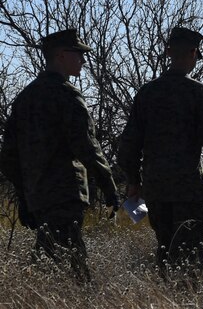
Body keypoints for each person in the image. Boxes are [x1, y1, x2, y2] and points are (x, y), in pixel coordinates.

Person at [0, 28, 119, 282]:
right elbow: (87, 146)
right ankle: (83, 308)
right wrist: (110, 188)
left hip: (37, 196)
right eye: (78, 54)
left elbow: (8, 157)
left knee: (51, 255)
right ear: (62, 55)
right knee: (73, 262)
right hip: (64, 193)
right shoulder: (66, 94)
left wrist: (24, 195)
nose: (83, 60)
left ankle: (39, 306)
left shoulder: (24, 99)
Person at [117, 26, 203, 281]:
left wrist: (134, 182)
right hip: (188, 188)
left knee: (165, 248)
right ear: (193, 53)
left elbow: (128, 146)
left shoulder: (147, 93)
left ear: (168, 52)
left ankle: (168, 302)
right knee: (190, 252)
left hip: (155, 188)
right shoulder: (198, 94)